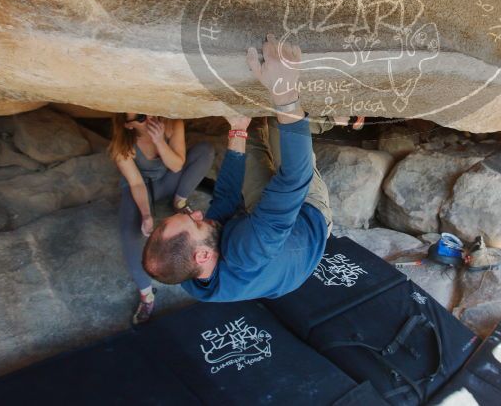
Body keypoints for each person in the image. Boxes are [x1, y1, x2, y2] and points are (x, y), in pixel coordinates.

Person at [142, 34, 334, 302]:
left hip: (261, 235)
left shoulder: (187, 270)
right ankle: (333, 118)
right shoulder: (248, 250)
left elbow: (226, 200)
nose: (197, 212)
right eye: (194, 222)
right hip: (306, 217)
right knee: (281, 126)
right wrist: (284, 91)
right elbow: (294, 178)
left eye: (189, 214)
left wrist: (237, 131)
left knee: (251, 127)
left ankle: (252, 125)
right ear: (204, 255)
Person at [109, 113, 214, 323]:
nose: (148, 117)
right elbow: (136, 184)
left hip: (170, 178)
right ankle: (146, 295)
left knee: (205, 151)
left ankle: (179, 201)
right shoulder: (122, 145)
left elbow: (177, 165)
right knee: (129, 233)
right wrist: (147, 215)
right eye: (140, 117)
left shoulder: (173, 122)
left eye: (147, 109)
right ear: (129, 125)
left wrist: (158, 140)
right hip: (143, 187)